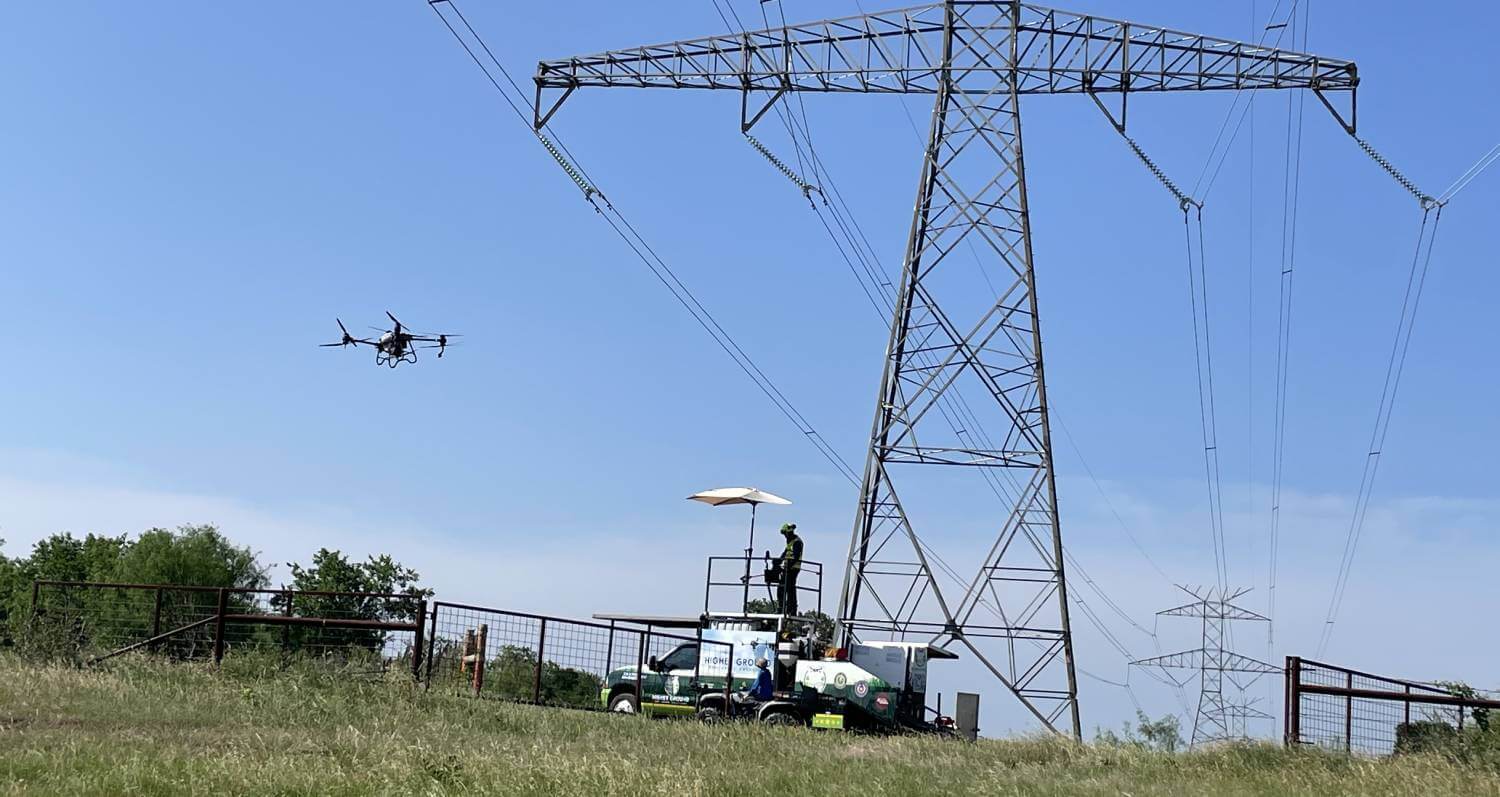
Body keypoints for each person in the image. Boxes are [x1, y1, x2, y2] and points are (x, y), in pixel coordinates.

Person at [778, 522, 803, 617]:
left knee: (789, 588)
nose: (785, 536)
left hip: (793, 569)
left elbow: (796, 556)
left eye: (785, 534)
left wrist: (789, 565)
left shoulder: (797, 542)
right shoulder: (790, 542)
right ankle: (782, 608)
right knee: (783, 587)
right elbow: (785, 552)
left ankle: (791, 609)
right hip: (788, 568)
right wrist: (778, 561)